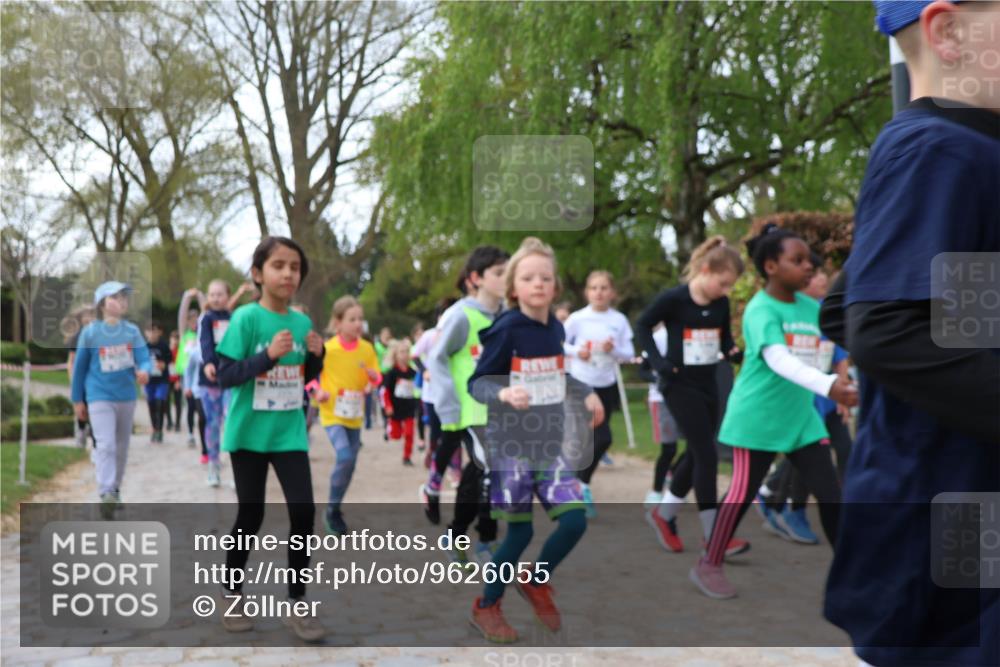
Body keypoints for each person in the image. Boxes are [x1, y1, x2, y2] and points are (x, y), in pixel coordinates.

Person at [822, 4, 999, 666]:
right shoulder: (936, 149)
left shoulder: (971, 149)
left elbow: (846, 304)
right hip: (941, 518)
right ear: (947, 31)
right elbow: (881, 328)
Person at [691, 225, 858, 599]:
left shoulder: (811, 308)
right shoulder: (760, 310)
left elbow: (839, 346)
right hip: (757, 420)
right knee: (740, 495)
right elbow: (778, 359)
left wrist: (849, 382)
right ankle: (709, 562)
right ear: (770, 266)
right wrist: (827, 386)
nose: (808, 267)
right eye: (796, 260)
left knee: (831, 495)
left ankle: (852, 574)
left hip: (801, 420)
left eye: (808, 261)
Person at [468, 237, 604, 643]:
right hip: (510, 448)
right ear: (514, 288)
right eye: (528, 277)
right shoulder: (506, 329)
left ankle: (534, 578)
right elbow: (477, 384)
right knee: (520, 534)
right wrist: (504, 392)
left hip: (550, 444)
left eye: (545, 277)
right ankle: (486, 606)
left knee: (575, 520)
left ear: (556, 285)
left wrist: (585, 391)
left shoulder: (555, 327)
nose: (538, 284)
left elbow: (556, 373)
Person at [215, 236, 326, 642]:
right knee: (252, 514)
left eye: (294, 267)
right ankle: (232, 593)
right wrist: (267, 357)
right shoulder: (246, 319)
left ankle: (297, 603)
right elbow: (225, 376)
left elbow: (306, 376)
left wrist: (318, 355)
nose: (288, 274)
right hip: (248, 434)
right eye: (278, 265)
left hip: (289, 432)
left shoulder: (301, 323)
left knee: (303, 512)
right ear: (258, 274)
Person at [634, 236, 747, 555]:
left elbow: (723, 340)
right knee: (706, 454)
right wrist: (658, 363)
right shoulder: (674, 299)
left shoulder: (720, 304)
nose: (725, 292)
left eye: (729, 287)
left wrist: (732, 351)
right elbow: (642, 326)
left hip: (707, 383)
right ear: (706, 270)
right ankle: (714, 536)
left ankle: (665, 515)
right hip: (678, 385)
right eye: (722, 283)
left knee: (696, 453)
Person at [419, 246, 509, 567]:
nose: (505, 279)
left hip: (504, 411)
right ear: (476, 279)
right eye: (499, 273)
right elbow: (437, 358)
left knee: (478, 473)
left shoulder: (507, 317)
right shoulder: (461, 316)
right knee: (490, 471)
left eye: (507, 272)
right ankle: (486, 540)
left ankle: (455, 534)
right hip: (471, 411)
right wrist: (448, 406)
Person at [756, 256, 853, 545]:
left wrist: (842, 390)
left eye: (821, 272)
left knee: (839, 452)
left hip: (828, 396)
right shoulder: (773, 311)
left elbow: (839, 356)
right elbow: (780, 359)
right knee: (796, 460)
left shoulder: (824, 312)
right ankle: (780, 502)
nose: (817, 276)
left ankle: (784, 501)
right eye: (810, 273)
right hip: (800, 398)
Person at [70, 282, 151, 518]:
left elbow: (143, 358)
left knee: (122, 447)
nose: (122, 301)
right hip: (98, 396)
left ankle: (114, 487)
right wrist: (77, 400)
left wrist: (144, 370)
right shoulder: (91, 333)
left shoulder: (132, 331)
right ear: (102, 304)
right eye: (115, 297)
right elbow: (79, 369)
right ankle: (105, 492)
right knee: (105, 444)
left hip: (126, 396)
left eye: (124, 297)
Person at [563, 271, 636, 517]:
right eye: (594, 287)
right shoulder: (577, 319)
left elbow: (629, 353)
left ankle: (577, 484)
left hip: (606, 383)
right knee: (599, 437)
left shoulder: (619, 320)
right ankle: (579, 486)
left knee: (597, 438)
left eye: (604, 288)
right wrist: (576, 351)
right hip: (582, 384)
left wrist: (613, 349)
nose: (599, 292)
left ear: (612, 292)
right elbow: (558, 343)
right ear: (587, 292)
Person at [317, 296, 381, 536]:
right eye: (352, 319)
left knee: (350, 463)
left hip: (354, 413)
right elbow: (310, 375)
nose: (357, 324)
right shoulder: (328, 349)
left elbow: (375, 377)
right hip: (331, 412)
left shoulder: (367, 349)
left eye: (360, 319)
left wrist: (373, 380)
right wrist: (317, 391)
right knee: (344, 455)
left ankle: (335, 507)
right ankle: (332, 509)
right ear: (338, 322)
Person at [639, 324, 685, 509]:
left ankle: (672, 476)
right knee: (669, 449)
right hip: (662, 399)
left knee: (696, 447)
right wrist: (661, 379)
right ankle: (656, 491)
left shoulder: (691, 332)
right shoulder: (659, 337)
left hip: (688, 398)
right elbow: (642, 370)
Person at [381, 338, 419, 466]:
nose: (404, 354)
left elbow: (418, 388)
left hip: (409, 407)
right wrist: (388, 406)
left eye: (407, 351)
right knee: (396, 435)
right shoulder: (392, 373)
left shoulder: (413, 373)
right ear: (396, 355)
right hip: (395, 408)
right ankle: (389, 429)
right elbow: (385, 391)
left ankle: (406, 457)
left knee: (409, 434)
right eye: (401, 352)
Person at [63, 305, 96, 448]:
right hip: (81, 378)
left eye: (92, 315)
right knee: (81, 407)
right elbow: (71, 360)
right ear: (81, 319)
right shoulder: (76, 337)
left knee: (95, 407)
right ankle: (81, 430)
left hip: (94, 378)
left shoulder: (99, 334)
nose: (89, 318)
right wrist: (72, 379)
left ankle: (95, 435)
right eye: (86, 315)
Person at [177, 289, 205, 448]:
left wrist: (201, 296)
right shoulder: (185, 335)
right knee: (190, 407)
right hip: (188, 376)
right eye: (191, 320)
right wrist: (186, 297)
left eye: (197, 319)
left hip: (201, 376)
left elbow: (206, 312)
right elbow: (181, 317)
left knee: (201, 410)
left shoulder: (205, 334)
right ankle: (190, 434)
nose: (194, 322)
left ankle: (204, 438)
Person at [143, 322, 171, 443]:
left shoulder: (164, 345)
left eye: (155, 331)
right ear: (145, 333)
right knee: (152, 405)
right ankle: (154, 428)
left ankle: (160, 430)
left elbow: (170, 359)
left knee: (160, 403)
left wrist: (163, 364)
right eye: (150, 331)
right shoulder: (143, 347)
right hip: (149, 381)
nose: (152, 334)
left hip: (162, 380)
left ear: (159, 332)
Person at [166, 329, 182, 432]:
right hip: (167, 379)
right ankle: (169, 422)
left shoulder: (181, 351)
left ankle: (177, 423)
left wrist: (179, 380)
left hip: (177, 379)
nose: (175, 341)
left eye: (177, 338)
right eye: (173, 338)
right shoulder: (167, 350)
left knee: (178, 402)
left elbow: (181, 366)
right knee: (166, 402)